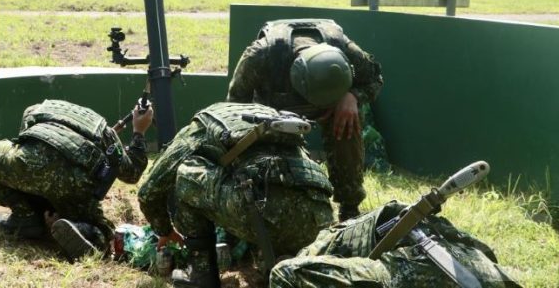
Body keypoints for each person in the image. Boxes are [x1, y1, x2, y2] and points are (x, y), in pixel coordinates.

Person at [138, 101, 335, 288]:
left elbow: (149, 190)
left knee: (187, 174)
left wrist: (164, 230)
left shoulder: (201, 126)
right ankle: (283, 261)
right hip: (319, 217)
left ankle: (201, 273)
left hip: (262, 212)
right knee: (254, 185)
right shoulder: (275, 119)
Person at [227, 19, 383, 221]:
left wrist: (352, 96)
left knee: (348, 122)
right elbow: (234, 106)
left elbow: (374, 78)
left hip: (334, 108)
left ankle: (350, 205)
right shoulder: (260, 56)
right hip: (271, 113)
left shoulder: (345, 48)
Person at [0, 99, 153, 260]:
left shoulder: (36, 112)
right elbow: (132, 173)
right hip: (77, 187)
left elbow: (24, 143)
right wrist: (139, 132)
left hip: (33, 167)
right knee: (104, 231)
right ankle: (88, 231)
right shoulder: (105, 132)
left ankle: (26, 216)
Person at [269, 201, 521, 288]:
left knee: (284, 273)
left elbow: (286, 272)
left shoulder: (325, 247)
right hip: (485, 272)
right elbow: (483, 251)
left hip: (425, 266)